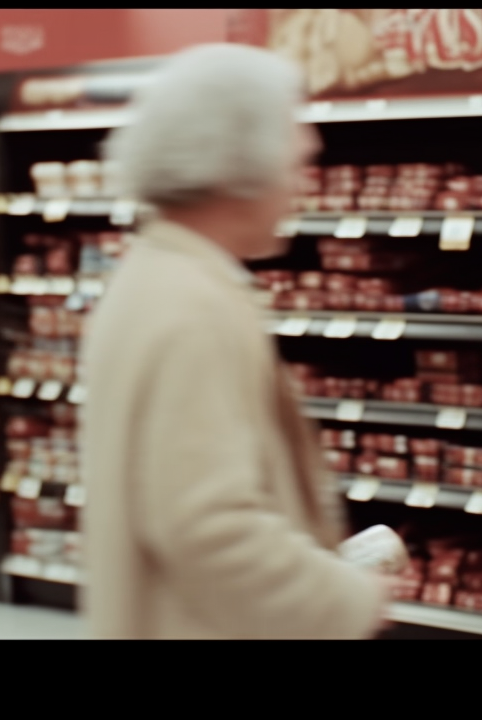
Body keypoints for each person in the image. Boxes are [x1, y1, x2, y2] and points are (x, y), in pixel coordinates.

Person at [79, 44, 394, 639]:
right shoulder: (191, 306)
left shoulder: (152, 276)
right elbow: (210, 530)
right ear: (239, 166)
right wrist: (345, 597)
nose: (301, 187)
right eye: (294, 163)